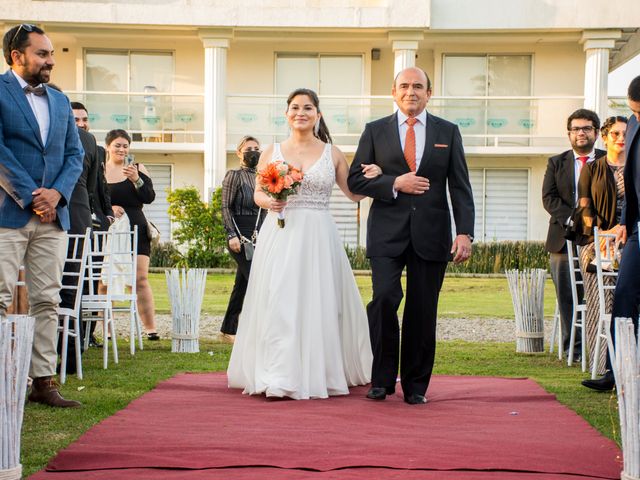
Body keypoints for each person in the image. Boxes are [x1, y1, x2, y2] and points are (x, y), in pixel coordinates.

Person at [227, 88, 381, 400]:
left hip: (318, 235)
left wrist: (376, 176)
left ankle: (319, 370)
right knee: (279, 298)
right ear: (287, 114)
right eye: (295, 107)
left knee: (319, 299)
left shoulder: (332, 153)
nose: (301, 112)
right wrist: (270, 203)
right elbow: (258, 193)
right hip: (281, 232)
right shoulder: (272, 152)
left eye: (308, 108)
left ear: (318, 115)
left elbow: (354, 193)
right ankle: (277, 372)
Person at [347, 67, 475, 405]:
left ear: (429, 93)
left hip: (432, 234)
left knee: (422, 309)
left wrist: (464, 233)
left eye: (418, 86)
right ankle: (381, 379)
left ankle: (416, 386)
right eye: (404, 86)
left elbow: (460, 186)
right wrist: (393, 182)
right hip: (386, 233)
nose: (411, 92)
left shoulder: (448, 131)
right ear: (393, 92)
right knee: (385, 298)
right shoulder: (375, 131)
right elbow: (355, 182)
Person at [0, 24, 84, 407]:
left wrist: (57, 195)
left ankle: (43, 381)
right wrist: (33, 196)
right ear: (17, 55)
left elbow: (74, 155)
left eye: (51, 53)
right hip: (8, 213)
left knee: (48, 299)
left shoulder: (61, 101)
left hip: (53, 218)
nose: (50, 60)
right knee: (0, 297)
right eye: (42, 54)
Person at [583, 76, 640, 391]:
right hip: (635, 230)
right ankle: (616, 372)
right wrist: (626, 221)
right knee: (624, 296)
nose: (637, 118)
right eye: (634, 111)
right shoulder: (632, 124)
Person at [542, 109, 605, 361]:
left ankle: (601, 349)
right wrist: (574, 220)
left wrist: (595, 224)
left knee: (600, 295)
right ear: (569, 134)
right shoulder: (556, 162)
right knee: (568, 296)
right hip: (563, 238)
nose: (581, 133)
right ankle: (574, 351)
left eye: (587, 128)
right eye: (576, 129)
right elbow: (549, 198)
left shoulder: (606, 160)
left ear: (597, 133)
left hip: (600, 237)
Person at [571, 116, 627, 375]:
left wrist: (624, 229)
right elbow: (584, 208)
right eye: (615, 134)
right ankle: (602, 365)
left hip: (631, 241)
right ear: (604, 138)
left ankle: (628, 362)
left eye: (625, 133)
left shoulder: (636, 168)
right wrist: (602, 235)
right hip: (596, 243)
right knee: (600, 298)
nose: (621, 138)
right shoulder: (592, 169)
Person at [103, 129, 158, 340]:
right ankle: (107, 330)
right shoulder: (100, 170)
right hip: (110, 228)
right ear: (108, 146)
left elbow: (149, 197)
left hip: (136, 226)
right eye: (117, 145)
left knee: (140, 278)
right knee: (106, 279)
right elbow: (93, 197)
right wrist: (110, 208)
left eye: (125, 146)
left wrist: (137, 180)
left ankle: (151, 329)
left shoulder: (137, 168)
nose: (121, 149)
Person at [71, 101, 114, 348]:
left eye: (84, 119)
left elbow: (100, 185)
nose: (82, 124)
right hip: (75, 217)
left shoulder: (95, 148)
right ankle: (74, 335)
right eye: (76, 120)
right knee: (74, 278)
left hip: (94, 220)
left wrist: (106, 213)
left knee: (92, 278)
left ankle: (87, 334)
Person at [220, 135, 265, 343]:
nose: (253, 151)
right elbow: (225, 206)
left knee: (242, 284)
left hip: (259, 234)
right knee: (257, 279)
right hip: (239, 232)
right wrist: (232, 235)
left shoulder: (263, 178)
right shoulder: (234, 176)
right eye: (248, 149)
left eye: (256, 148)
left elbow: (264, 209)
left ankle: (228, 329)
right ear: (239, 153)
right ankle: (260, 329)